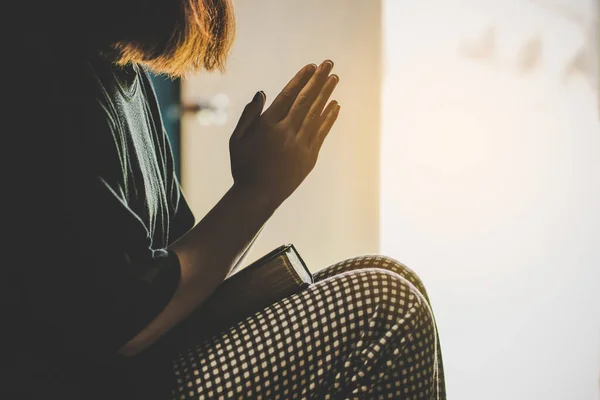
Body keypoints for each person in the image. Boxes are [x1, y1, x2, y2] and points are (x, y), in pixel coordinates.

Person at [14, 0, 447, 398]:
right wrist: (259, 191)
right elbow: (124, 322)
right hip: (100, 385)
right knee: (387, 305)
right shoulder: (42, 71)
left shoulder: (124, 74)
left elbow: (181, 274)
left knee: (388, 272)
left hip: (146, 368)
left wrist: (261, 187)